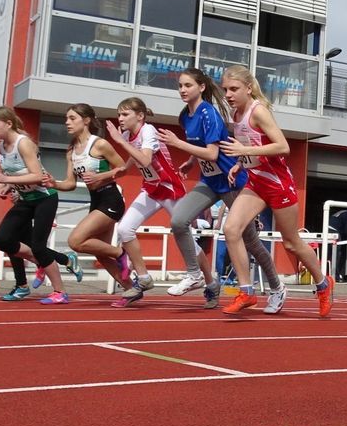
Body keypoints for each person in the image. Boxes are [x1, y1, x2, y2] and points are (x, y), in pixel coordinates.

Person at [158, 68, 283, 311]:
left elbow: (213, 153)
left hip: (232, 181)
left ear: (201, 87)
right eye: (180, 86)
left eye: (188, 85)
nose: (183, 90)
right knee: (178, 220)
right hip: (209, 181)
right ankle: (195, 275)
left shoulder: (209, 114)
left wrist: (177, 144)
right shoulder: (185, 115)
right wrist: (192, 161)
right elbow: (201, 146)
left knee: (251, 242)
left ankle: (277, 287)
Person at [217, 65, 334, 316]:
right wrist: (240, 164)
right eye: (225, 89)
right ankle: (246, 291)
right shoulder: (235, 114)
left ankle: (323, 284)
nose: (228, 94)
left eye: (234, 89)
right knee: (231, 229)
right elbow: (253, 144)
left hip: (278, 184)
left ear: (248, 88)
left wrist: (243, 153)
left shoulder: (258, 111)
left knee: (291, 243)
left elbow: (282, 147)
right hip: (255, 182)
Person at [0, 106, 81, 305]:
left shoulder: (24, 144)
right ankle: (57, 261)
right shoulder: (0, 147)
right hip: (25, 200)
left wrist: (8, 180)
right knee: (3, 239)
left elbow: (37, 176)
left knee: (38, 246)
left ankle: (60, 292)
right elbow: (9, 175)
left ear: (8, 123)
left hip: (44, 198)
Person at [101, 97, 188, 308]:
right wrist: (123, 168)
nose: (120, 118)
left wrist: (121, 143)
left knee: (185, 235)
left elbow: (147, 159)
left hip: (169, 188)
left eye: (125, 114)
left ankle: (206, 280)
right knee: (124, 229)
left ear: (139, 116)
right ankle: (144, 278)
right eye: (119, 114)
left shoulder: (148, 130)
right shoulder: (126, 134)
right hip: (151, 189)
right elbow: (136, 156)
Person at [44, 104, 130, 300]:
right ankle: (131, 289)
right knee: (100, 253)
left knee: (75, 241)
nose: (67, 122)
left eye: (72, 118)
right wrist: (53, 183)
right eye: (66, 118)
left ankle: (120, 252)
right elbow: (70, 184)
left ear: (86, 120)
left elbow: (122, 168)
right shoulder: (71, 150)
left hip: (111, 198)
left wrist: (102, 176)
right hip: (96, 200)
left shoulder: (99, 144)